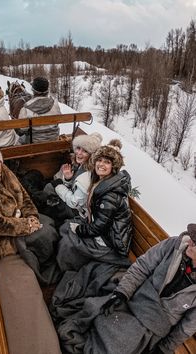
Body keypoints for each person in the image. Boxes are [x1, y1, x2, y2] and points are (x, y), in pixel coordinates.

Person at [0, 139, 61, 354]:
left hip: (22, 226)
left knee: (50, 230)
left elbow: (26, 198)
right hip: (5, 244)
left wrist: (31, 216)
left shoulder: (7, 175)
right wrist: (25, 224)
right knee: (27, 295)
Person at [94, 223, 196, 354]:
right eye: (193, 237)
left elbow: (188, 326)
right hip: (139, 298)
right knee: (100, 315)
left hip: (157, 322)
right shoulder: (173, 244)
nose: (191, 242)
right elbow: (143, 266)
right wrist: (122, 292)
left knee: (121, 344)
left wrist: (165, 348)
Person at [56, 139, 133, 272]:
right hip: (102, 229)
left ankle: (66, 269)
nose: (101, 164)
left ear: (114, 167)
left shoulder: (111, 195)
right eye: (100, 160)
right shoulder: (100, 180)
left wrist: (79, 229)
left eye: (107, 162)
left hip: (110, 241)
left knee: (68, 242)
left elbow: (99, 228)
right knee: (66, 227)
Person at [41, 132, 103, 226]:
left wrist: (58, 185)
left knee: (49, 189)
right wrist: (68, 179)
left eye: (85, 151)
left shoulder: (89, 174)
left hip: (79, 213)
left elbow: (75, 203)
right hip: (74, 204)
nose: (79, 153)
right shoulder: (82, 165)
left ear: (92, 155)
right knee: (49, 187)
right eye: (78, 148)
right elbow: (74, 188)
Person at [18, 76, 61, 143]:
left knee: (19, 139)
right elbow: (59, 120)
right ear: (47, 90)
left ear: (33, 90)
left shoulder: (26, 108)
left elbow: (23, 129)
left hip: (35, 141)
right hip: (54, 139)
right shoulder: (55, 103)